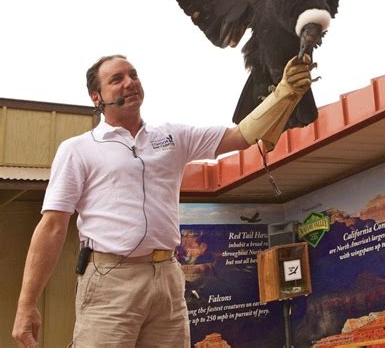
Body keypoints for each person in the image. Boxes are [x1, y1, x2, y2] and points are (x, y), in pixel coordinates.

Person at [12, 53, 312, 348]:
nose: (129, 82)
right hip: (109, 280)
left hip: (167, 275)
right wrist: (26, 305)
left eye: (133, 75)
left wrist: (284, 93)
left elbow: (241, 137)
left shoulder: (171, 136)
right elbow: (52, 227)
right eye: (117, 79)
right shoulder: (78, 149)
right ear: (97, 97)